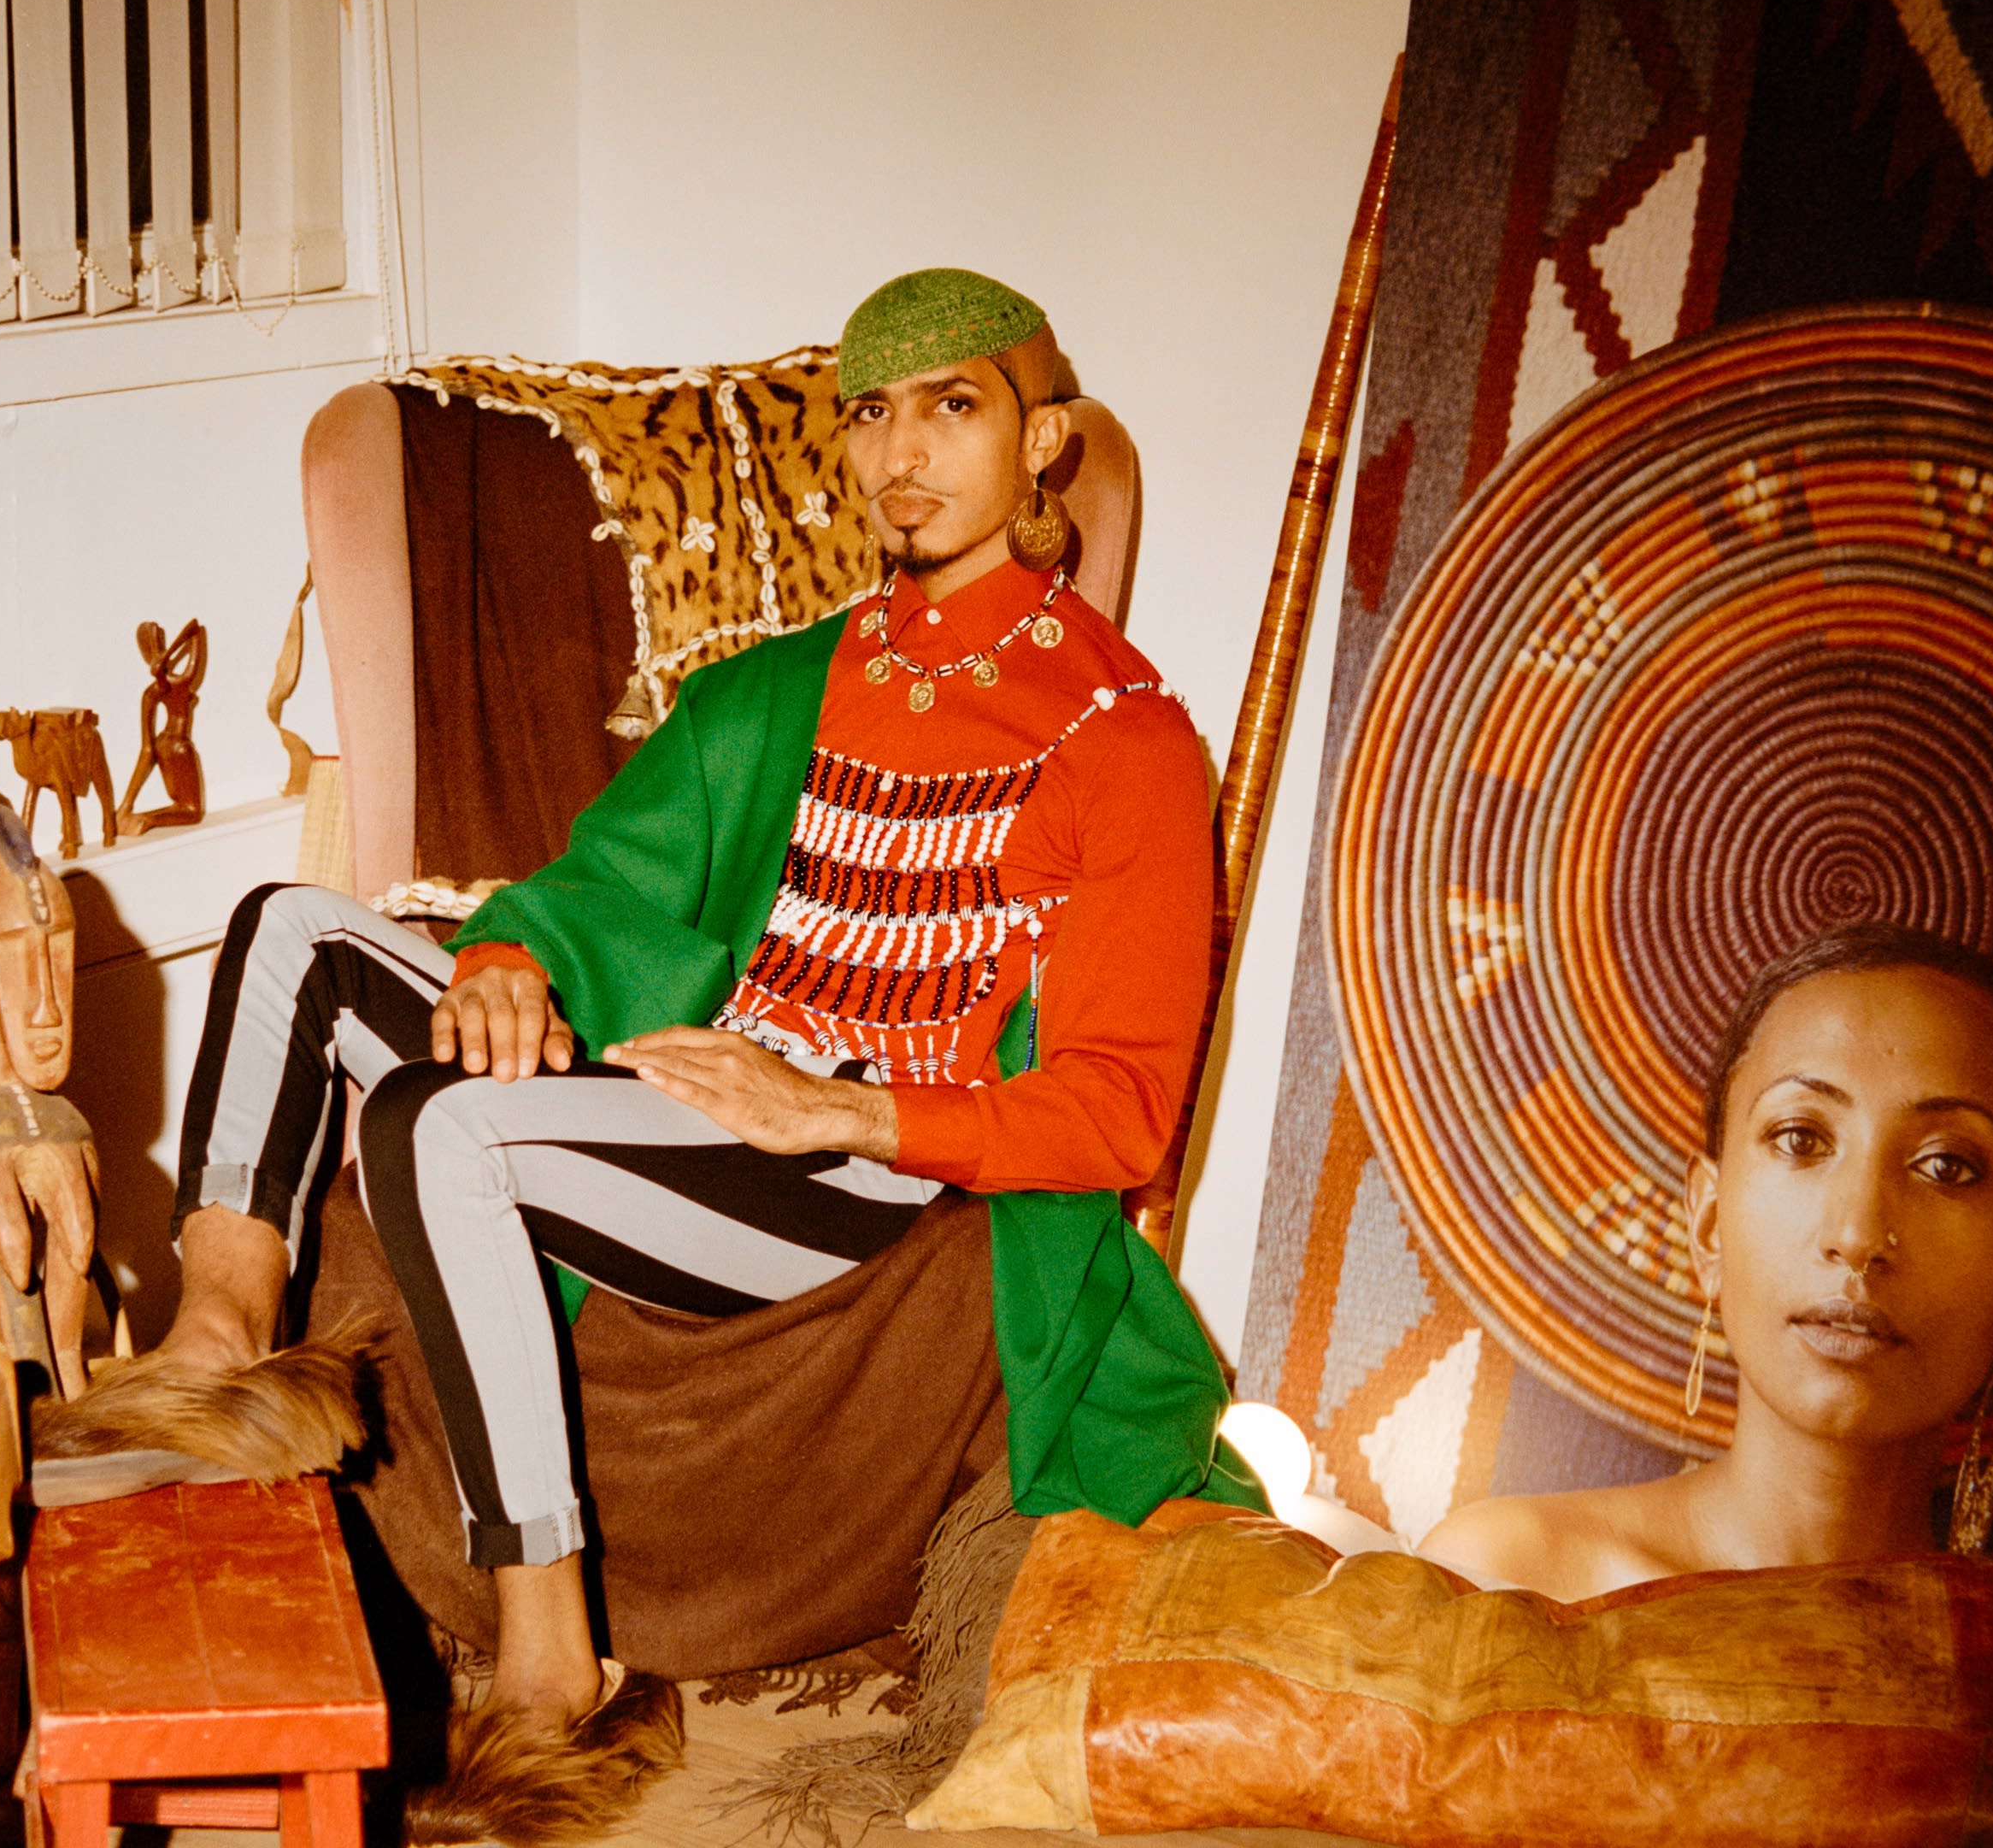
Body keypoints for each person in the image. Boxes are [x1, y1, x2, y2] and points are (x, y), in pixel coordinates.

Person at [156, 268, 1253, 1727]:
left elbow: (1122, 1113)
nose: (902, 451)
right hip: (705, 1093)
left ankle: (551, 1646)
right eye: (872, 412)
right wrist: (508, 955)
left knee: (436, 1122)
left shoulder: (1127, 739)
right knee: (291, 929)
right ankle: (214, 1360)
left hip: (852, 1167)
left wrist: (840, 1111)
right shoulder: (783, 686)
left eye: (953, 406)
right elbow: (608, 877)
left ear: (1043, 439)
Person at [1421, 921, 1993, 1598]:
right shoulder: (1505, 1583)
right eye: (1800, 1139)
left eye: (1946, 1166)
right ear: (1709, 1227)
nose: (1857, 1235)